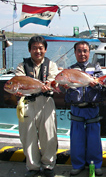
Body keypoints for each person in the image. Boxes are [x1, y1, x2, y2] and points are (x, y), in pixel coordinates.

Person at [14, 36, 59, 177]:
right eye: (34, 48)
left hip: (46, 102)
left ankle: (48, 165)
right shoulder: (22, 66)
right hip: (27, 103)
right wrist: (18, 90)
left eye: (40, 48)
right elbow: (18, 81)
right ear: (29, 50)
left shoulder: (51, 65)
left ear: (45, 49)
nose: (38, 51)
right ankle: (32, 166)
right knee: (28, 135)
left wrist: (49, 85)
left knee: (49, 134)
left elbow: (53, 81)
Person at [64, 41, 103, 176]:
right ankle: (78, 164)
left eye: (85, 51)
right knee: (76, 139)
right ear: (75, 53)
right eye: (79, 51)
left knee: (94, 140)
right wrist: (65, 87)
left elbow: (102, 85)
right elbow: (64, 89)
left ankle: (95, 165)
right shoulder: (70, 70)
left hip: (92, 108)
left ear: (89, 52)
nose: (82, 54)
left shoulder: (96, 67)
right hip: (77, 109)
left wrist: (95, 84)